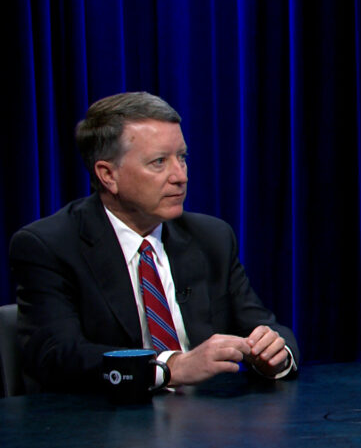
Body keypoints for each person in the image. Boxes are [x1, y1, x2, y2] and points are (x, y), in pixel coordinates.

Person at [9, 91, 298, 393]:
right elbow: (57, 356)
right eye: (159, 162)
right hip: (103, 427)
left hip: (207, 425)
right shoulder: (50, 246)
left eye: (182, 157)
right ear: (108, 175)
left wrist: (275, 353)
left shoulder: (212, 237)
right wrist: (169, 367)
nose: (180, 176)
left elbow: (265, 326)